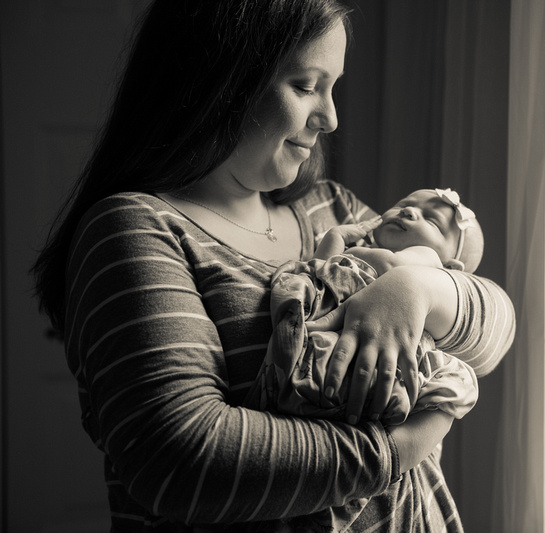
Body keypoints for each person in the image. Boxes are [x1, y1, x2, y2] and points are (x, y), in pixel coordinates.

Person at [31, 1, 515, 531]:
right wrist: (410, 440)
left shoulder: (337, 212)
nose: (331, 117)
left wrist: (417, 287)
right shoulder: (134, 228)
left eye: (334, 87)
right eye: (307, 85)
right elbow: (183, 464)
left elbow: (495, 334)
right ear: (220, 79)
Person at [246, 186, 485, 424]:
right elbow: (320, 272)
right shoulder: (366, 249)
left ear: (450, 267)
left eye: (432, 221)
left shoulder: (429, 259)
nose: (409, 211)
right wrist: (334, 241)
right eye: (403, 204)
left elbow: (392, 266)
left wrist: (347, 250)